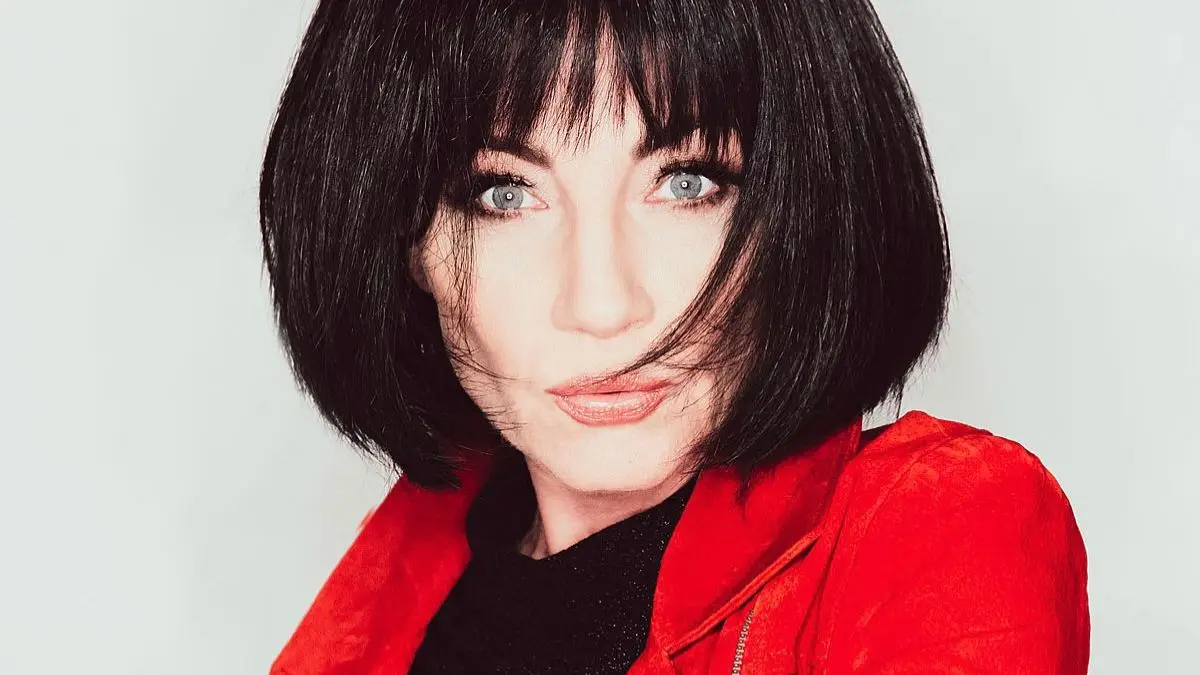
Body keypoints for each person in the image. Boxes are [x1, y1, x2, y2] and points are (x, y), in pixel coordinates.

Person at [259, 0, 1090, 672]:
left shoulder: (930, 532)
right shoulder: (406, 578)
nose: (602, 304)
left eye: (686, 182)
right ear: (410, 242)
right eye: (505, 194)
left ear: (800, 207)